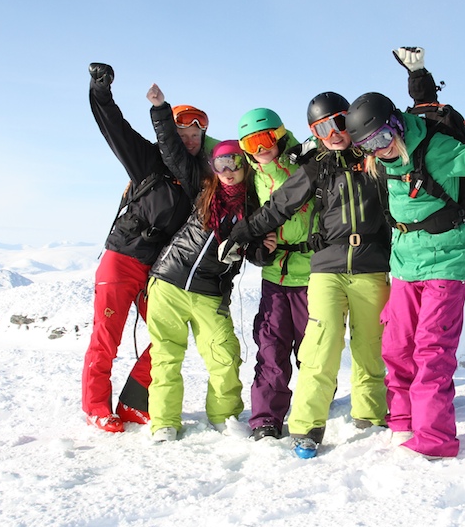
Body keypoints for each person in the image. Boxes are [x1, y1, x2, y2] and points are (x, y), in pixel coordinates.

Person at [345, 56, 465, 459]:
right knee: (396, 347)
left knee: (431, 350)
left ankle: (434, 439)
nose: (379, 150)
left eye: (383, 137)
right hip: (403, 263)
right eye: (367, 145)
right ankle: (402, 421)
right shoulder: (380, 160)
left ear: (397, 124)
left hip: (444, 262)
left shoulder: (438, 147)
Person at [228, 92, 391, 458]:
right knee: (321, 343)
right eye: (321, 127)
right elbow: (279, 205)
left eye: (337, 122)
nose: (332, 133)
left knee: (370, 346)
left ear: (349, 119)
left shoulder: (374, 157)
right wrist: (244, 233)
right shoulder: (316, 166)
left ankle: (370, 415)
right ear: (314, 133)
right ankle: (306, 426)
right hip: (328, 267)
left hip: (371, 265)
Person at [83, 62, 213, 433]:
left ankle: (132, 402)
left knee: (168, 334)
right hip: (122, 259)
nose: (189, 139)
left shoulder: (199, 179)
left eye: (195, 133)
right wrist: (100, 91)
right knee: (106, 337)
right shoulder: (147, 159)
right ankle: (95, 407)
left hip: (157, 271)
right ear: (169, 131)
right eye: (182, 131)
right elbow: (114, 128)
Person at [144, 82, 266, 443]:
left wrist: (263, 245)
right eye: (222, 163)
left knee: (225, 356)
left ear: (245, 167)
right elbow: (172, 150)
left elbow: (258, 254)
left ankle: (224, 417)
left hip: (209, 293)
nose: (228, 169)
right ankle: (164, 422)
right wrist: (160, 110)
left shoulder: (254, 209)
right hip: (168, 282)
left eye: (235, 163)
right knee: (166, 358)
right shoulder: (203, 189)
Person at [235, 108, 314, 441]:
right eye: (250, 143)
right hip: (275, 276)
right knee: (270, 347)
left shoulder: (307, 162)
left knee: (313, 352)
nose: (259, 149)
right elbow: (248, 225)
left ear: (280, 135)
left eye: (265, 138)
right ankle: (266, 418)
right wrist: (257, 251)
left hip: (313, 273)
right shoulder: (250, 180)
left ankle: (312, 416)